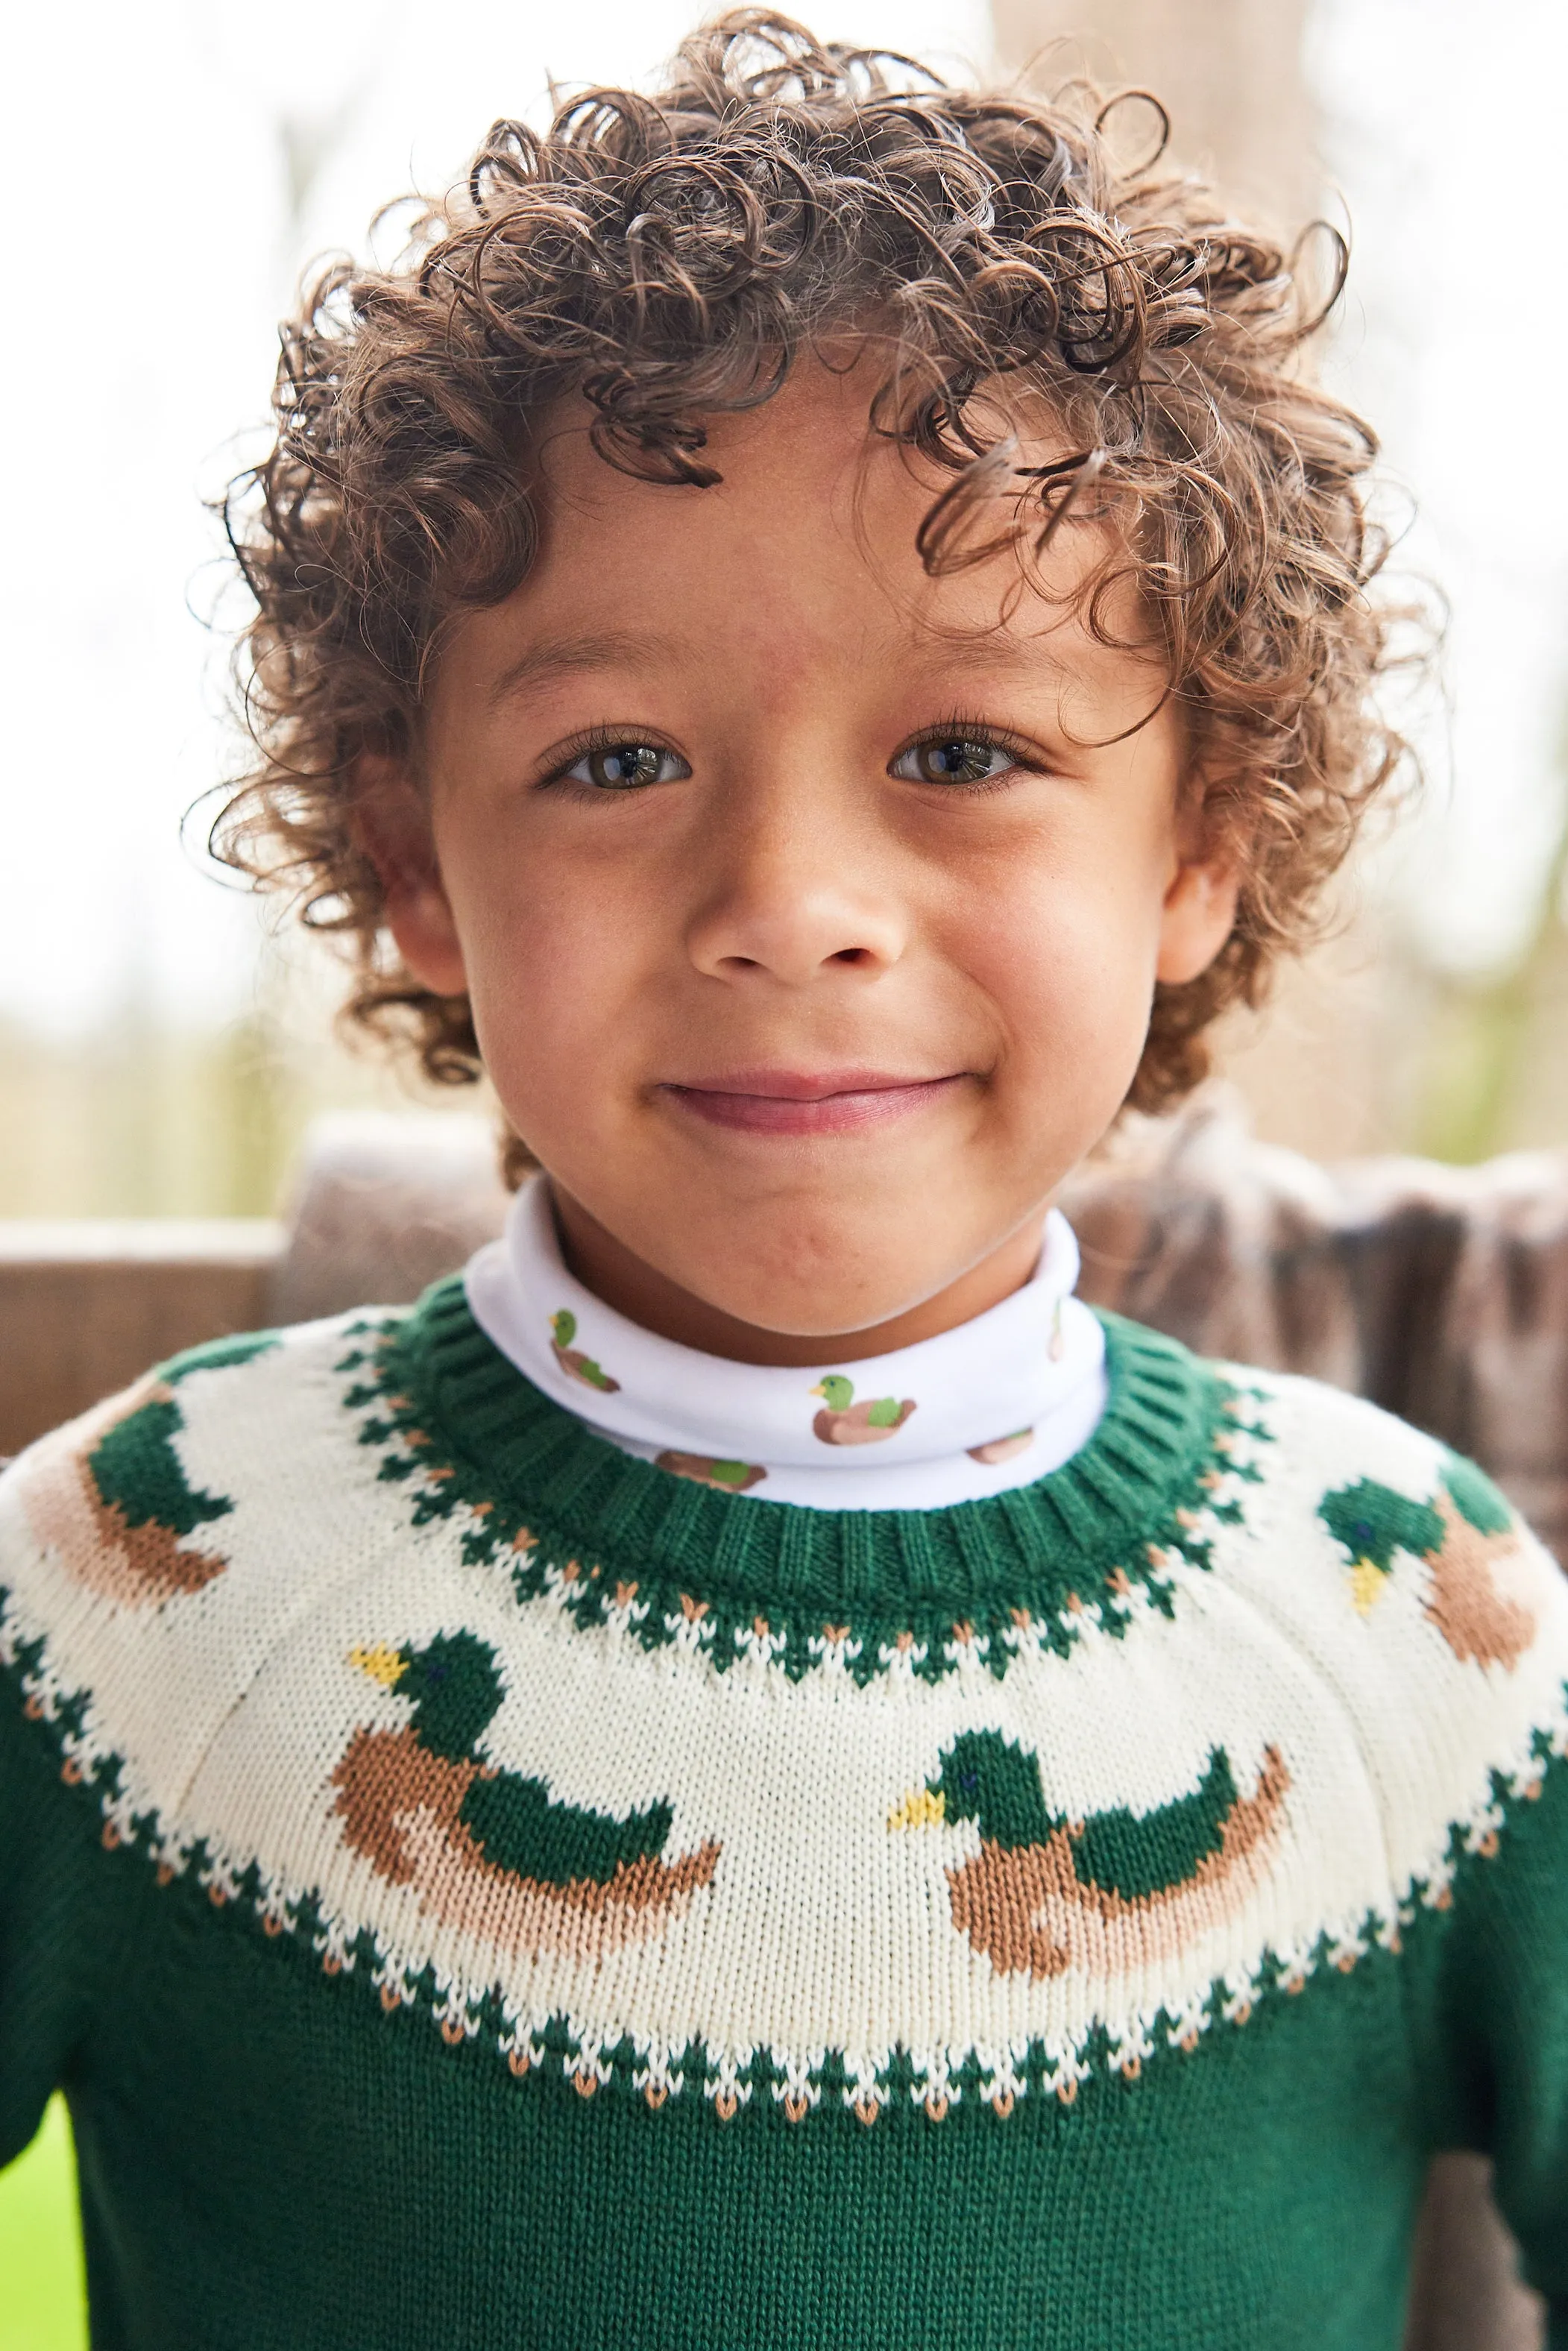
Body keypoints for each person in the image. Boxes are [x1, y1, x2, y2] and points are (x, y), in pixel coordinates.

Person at [2, 15, 1564, 2345]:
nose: (791, 897)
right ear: (415, 867)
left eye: (965, 747)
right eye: (617, 755)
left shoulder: (1414, 1626)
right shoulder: (117, 1606)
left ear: (1196, 861)